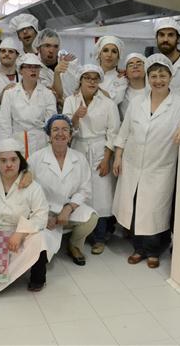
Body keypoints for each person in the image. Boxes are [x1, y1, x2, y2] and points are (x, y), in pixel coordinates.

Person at [112, 54, 180, 268]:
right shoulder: (137, 102)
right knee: (134, 208)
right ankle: (139, 248)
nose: (158, 80)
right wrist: (118, 156)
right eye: (153, 76)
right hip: (132, 165)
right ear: (148, 78)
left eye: (162, 75)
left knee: (155, 211)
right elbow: (124, 131)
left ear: (170, 77)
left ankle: (154, 251)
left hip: (159, 168)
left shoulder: (179, 103)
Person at [0, 139, 50, 296]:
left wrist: (20, 233)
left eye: (13, 160)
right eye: (3, 160)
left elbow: (41, 215)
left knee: (39, 238)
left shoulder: (33, 187)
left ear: (20, 161)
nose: (9, 165)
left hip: (17, 239)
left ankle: (37, 278)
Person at [62, 66, 120, 254]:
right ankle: (81, 234)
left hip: (100, 149)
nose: (92, 81)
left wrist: (106, 159)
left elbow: (114, 132)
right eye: (87, 77)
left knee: (102, 196)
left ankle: (100, 238)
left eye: (96, 78)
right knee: (80, 192)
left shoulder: (107, 103)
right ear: (80, 80)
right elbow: (65, 129)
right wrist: (75, 118)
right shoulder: (71, 101)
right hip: (78, 148)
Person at [29, 115, 99, 265]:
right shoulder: (35, 159)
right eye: (55, 130)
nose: (60, 133)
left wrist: (68, 208)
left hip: (68, 209)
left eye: (64, 129)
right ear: (49, 135)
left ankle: (74, 245)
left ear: (70, 135)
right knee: (42, 259)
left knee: (91, 218)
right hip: (43, 212)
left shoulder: (79, 158)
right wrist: (42, 216)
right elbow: (28, 191)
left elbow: (84, 189)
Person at [0, 53, 57, 157]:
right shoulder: (10, 93)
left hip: (41, 144)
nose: (33, 70)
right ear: (20, 70)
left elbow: (52, 124)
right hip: (16, 143)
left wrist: (50, 148)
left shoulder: (48, 94)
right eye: (29, 67)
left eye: (36, 67)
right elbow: (4, 125)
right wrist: (6, 149)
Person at [93, 36, 129, 106]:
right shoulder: (88, 73)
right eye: (105, 50)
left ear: (118, 57)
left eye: (114, 51)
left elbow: (113, 101)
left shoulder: (122, 79)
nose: (109, 55)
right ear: (99, 54)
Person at [119, 53, 149, 119]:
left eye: (139, 64)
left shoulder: (154, 91)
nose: (135, 66)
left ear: (146, 69)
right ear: (126, 72)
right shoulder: (120, 93)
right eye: (130, 65)